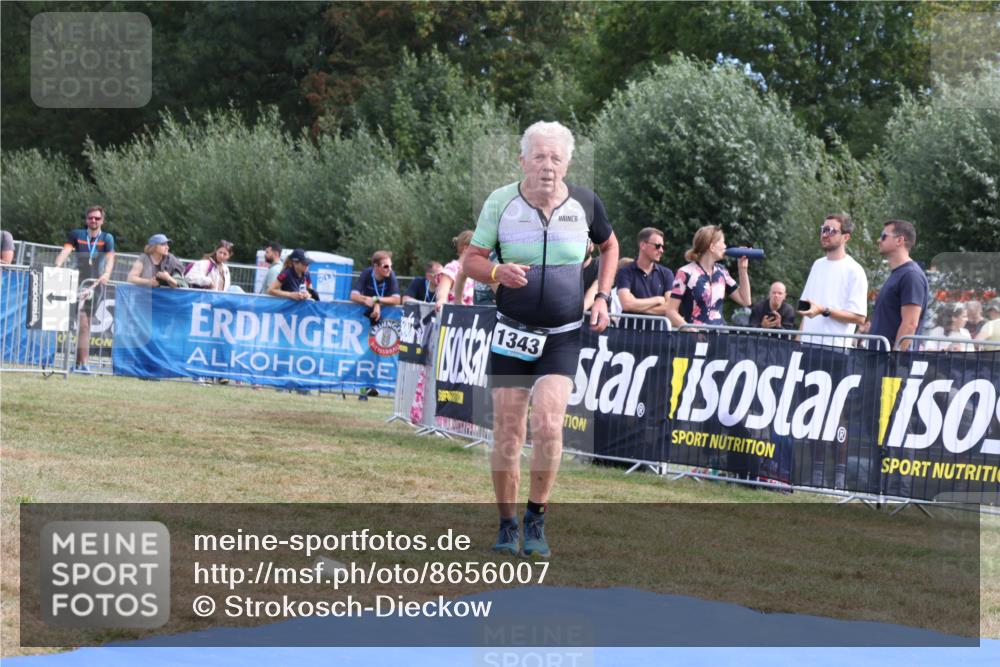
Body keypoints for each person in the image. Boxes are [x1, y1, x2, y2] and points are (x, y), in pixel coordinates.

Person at [463, 120, 619, 559]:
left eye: (556, 157)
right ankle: (507, 524)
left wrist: (602, 296)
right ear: (522, 161)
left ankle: (536, 518)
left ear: (568, 161)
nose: (547, 166)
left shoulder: (585, 203)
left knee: (550, 424)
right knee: (509, 432)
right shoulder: (501, 203)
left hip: (563, 335)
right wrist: (496, 272)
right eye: (539, 157)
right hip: (512, 333)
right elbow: (470, 258)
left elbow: (610, 247)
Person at [54, 206, 116, 373]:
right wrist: (58, 265)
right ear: (86, 219)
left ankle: (80, 364)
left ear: (102, 220)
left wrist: (107, 274)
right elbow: (66, 250)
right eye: (90, 218)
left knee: (85, 324)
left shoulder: (107, 238)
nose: (93, 221)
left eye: (97, 218)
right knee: (81, 324)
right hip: (76, 283)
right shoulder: (77, 235)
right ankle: (82, 365)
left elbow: (110, 259)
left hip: (95, 285)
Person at [797, 214, 869, 347]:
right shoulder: (817, 264)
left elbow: (859, 318)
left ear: (846, 237)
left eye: (831, 231)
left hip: (835, 348)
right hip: (806, 345)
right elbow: (806, 311)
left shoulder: (854, 270)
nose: (825, 234)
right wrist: (797, 344)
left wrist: (824, 311)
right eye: (823, 229)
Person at [665, 225, 750, 328]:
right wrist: (688, 328)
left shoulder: (722, 272)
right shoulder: (685, 272)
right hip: (692, 338)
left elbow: (745, 300)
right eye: (722, 242)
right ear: (712, 247)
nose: (725, 246)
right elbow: (670, 311)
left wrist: (743, 269)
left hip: (719, 337)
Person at [870, 220, 929, 352]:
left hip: (893, 363)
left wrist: (895, 357)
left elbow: (910, 324)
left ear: (899, 240)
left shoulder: (911, 275)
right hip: (879, 358)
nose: (879, 240)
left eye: (883, 236)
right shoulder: (899, 273)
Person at [616, 228, 674, 316]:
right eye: (658, 246)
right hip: (630, 329)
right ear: (643, 245)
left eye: (663, 247)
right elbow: (626, 304)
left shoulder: (667, 274)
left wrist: (635, 304)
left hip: (657, 329)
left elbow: (670, 308)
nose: (661, 250)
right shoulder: (625, 271)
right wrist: (657, 300)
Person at [350, 250, 401, 323]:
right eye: (386, 266)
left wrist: (376, 300)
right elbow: (353, 296)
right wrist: (375, 303)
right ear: (376, 266)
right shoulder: (367, 273)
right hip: (366, 312)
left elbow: (397, 300)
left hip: (386, 313)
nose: (390, 269)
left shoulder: (391, 275)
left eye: (390, 266)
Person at [437, 231, 476, 309]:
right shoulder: (452, 268)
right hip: (452, 316)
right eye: (477, 248)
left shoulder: (475, 270)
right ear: (466, 248)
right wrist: (442, 299)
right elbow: (443, 289)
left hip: (471, 317)